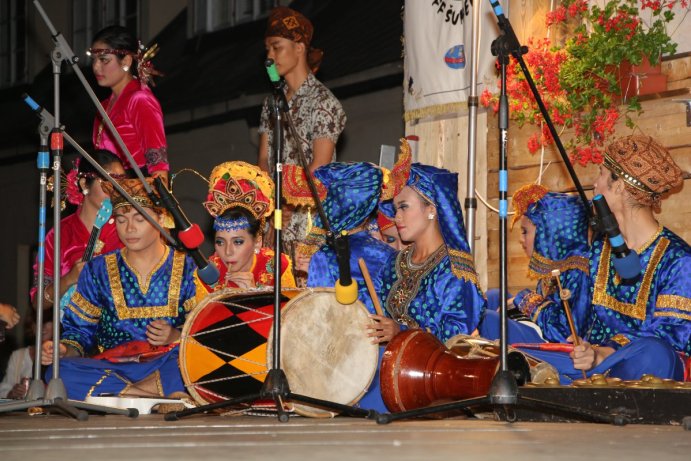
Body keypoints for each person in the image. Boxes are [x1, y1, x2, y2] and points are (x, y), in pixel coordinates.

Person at [525, 135, 690, 383]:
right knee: (507, 345)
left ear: (620, 186)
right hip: (593, 364)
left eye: (601, 174)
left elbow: (671, 334)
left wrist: (605, 352)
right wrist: (582, 347)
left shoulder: (678, 260)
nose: (594, 183)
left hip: (635, 364)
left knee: (655, 353)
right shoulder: (600, 247)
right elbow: (583, 323)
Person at [40, 178, 197, 400]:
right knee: (59, 371)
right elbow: (79, 334)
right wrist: (64, 350)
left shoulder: (187, 266)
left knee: (188, 361)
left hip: (165, 363)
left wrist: (175, 335)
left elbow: (201, 329)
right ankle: (146, 395)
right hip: (113, 368)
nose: (129, 229)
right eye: (121, 220)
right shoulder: (98, 269)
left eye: (139, 219)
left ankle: (124, 395)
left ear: (161, 217)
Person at [284, 160, 395, 413]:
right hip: (381, 359)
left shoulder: (324, 255)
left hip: (340, 364)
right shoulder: (388, 253)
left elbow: (320, 317)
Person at [257, 6, 346, 283]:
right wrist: (268, 210)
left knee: (304, 298)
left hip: (307, 220)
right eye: (267, 49)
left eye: (276, 47)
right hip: (274, 216)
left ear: (299, 47)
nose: (270, 56)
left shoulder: (323, 102)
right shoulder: (272, 101)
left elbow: (319, 167)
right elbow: (263, 160)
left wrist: (286, 208)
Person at [374, 142, 486, 345]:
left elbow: (456, 339)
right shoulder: (394, 263)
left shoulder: (455, 269)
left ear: (432, 209)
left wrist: (402, 332)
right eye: (395, 209)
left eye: (404, 207)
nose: (397, 217)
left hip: (436, 372)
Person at [479, 184, 591, 344]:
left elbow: (565, 332)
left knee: (488, 318)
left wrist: (524, 299)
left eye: (525, 232)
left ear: (548, 235)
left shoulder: (579, 272)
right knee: (494, 296)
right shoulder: (554, 268)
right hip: (540, 331)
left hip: (562, 351)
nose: (520, 239)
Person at [31, 150, 126, 312]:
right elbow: (38, 302)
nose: (116, 189)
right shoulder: (58, 235)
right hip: (76, 332)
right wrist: (69, 279)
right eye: (107, 181)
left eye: (121, 182)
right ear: (83, 184)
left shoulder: (128, 226)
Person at [89, 25, 169, 183]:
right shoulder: (103, 106)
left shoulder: (139, 99)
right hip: (108, 191)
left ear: (125, 61)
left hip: (136, 192)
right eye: (94, 60)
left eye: (104, 60)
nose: (96, 67)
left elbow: (158, 166)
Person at [201, 161, 295, 292]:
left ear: (257, 242)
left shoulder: (277, 267)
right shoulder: (207, 275)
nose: (228, 252)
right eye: (220, 242)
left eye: (238, 242)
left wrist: (254, 294)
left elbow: (290, 311)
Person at [0, 317, 52, 399]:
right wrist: (12, 393)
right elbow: (4, 389)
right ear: (32, 326)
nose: (42, 326)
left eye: (47, 321)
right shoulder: (19, 355)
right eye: (37, 321)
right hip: (23, 411)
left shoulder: (64, 356)